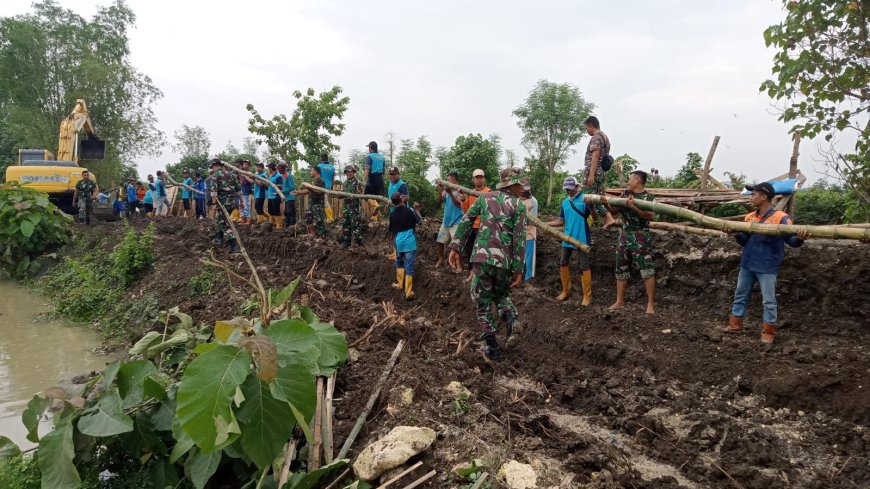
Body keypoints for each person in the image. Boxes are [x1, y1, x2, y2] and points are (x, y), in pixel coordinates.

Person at [449, 167, 527, 362]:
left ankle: (492, 347)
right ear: (513, 184)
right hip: (504, 261)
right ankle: (510, 318)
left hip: (482, 258)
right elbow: (519, 239)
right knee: (501, 294)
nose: (522, 188)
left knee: (482, 303)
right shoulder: (518, 205)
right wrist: (519, 268)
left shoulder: (485, 198)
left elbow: (466, 221)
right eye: (520, 185)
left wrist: (455, 246)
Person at [722, 182, 808, 344]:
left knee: (768, 300)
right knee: (740, 295)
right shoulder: (749, 217)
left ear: (764, 197)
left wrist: (800, 238)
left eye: (754, 194)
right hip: (748, 264)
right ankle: (735, 325)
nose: (751, 197)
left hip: (767, 266)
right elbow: (745, 241)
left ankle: (768, 332)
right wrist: (735, 234)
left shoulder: (781, 218)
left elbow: (792, 241)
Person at [601, 170, 657, 314]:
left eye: (630, 179)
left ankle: (650, 304)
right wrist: (606, 205)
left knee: (647, 270)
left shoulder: (649, 197)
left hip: (641, 236)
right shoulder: (625, 194)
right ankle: (620, 302)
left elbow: (651, 216)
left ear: (638, 180)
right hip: (624, 235)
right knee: (621, 268)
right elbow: (615, 212)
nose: (628, 181)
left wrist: (633, 207)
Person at [546, 176, 593, 304]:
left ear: (577, 187)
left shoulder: (585, 199)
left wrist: (592, 206)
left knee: (583, 266)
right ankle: (566, 290)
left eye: (571, 189)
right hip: (567, 237)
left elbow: (594, 216)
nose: (569, 191)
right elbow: (561, 221)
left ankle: (587, 296)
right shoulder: (565, 202)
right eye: (567, 189)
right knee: (563, 263)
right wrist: (545, 224)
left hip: (582, 238)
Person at [583, 116, 616, 228]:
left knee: (591, 197)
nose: (587, 131)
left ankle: (608, 218)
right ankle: (596, 219)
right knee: (599, 197)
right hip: (601, 172)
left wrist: (591, 175)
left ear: (591, 126)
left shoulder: (596, 138)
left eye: (586, 128)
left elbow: (596, 155)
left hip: (594, 172)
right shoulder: (605, 137)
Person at [389, 193, 422, 300]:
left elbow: (393, 232)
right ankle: (408, 292)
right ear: (401, 200)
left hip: (399, 242)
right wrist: (417, 209)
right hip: (409, 243)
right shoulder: (410, 210)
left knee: (399, 262)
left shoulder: (392, 214)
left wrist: (395, 245)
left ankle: (399, 284)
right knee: (409, 266)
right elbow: (420, 221)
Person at [460, 169, 491, 282]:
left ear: (484, 178)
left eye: (481, 177)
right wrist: (463, 199)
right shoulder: (469, 193)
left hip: (485, 227)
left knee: (483, 251)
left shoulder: (489, 192)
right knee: (470, 251)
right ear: (473, 179)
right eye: (477, 177)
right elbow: (466, 211)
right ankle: (471, 273)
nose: (479, 179)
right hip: (472, 227)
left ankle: (482, 275)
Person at [206, 159, 241, 254]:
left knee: (224, 224)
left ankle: (234, 246)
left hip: (222, 203)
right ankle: (219, 238)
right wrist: (241, 202)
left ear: (215, 166)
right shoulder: (232, 175)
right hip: (232, 202)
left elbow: (213, 192)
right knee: (221, 220)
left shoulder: (215, 176)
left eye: (212, 167)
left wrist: (213, 204)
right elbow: (238, 190)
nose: (212, 169)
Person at [435, 171, 466, 268]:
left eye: (449, 179)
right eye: (447, 179)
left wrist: (451, 193)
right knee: (440, 241)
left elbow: (458, 204)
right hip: (446, 221)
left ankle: (458, 264)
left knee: (456, 244)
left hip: (456, 220)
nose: (447, 181)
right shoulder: (446, 190)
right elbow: (440, 201)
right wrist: (440, 189)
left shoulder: (460, 190)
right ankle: (441, 259)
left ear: (454, 180)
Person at [293, 166, 327, 237]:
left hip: (318, 204)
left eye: (311, 171)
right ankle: (313, 234)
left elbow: (319, 191)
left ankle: (322, 236)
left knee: (319, 221)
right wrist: (298, 191)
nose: (310, 172)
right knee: (308, 218)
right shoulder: (314, 181)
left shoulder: (321, 181)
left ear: (316, 171)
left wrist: (309, 187)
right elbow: (308, 190)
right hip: (312, 203)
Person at [339, 164, 364, 248]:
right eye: (347, 172)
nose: (349, 173)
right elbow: (342, 193)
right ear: (345, 173)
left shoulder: (357, 182)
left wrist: (354, 195)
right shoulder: (345, 183)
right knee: (346, 224)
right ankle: (346, 242)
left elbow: (360, 193)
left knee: (356, 224)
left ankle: (358, 242)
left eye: (351, 172)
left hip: (354, 208)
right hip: (346, 207)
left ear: (354, 172)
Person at [519, 183, 538, 281]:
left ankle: (529, 277)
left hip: (529, 232)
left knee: (529, 257)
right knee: (518, 255)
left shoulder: (533, 201)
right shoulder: (517, 199)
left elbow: (532, 220)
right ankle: (518, 275)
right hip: (518, 232)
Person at [363, 141, 386, 220]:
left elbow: (367, 169)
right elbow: (384, 170)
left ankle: (375, 206)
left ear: (370, 147)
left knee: (366, 196)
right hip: (380, 179)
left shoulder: (369, 156)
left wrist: (364, 180)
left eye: (368, 147)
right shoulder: (382, 157)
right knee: (377, 199)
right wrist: (383, 179)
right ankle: (374, 218)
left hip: (372, 179)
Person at [318, 154, 336, 222]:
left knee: (325, 202)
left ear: (321, 158)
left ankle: (330, 218)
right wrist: (331, 186)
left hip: (321, 186)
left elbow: (318, 176)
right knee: (324, 201)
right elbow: (332, 178)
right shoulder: (332, 167)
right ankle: (326, 218)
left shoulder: (319, 166)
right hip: (328, 186)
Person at [278, 163, 297, 228]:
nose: (278, 170)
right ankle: (288, 227)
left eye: (279, 168)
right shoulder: (283, 176)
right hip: (286, 198)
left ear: (282, 168)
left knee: (290, 212)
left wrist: (282, 191)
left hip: (290, 197)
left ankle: (293, 227)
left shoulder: (288, 176)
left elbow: (291, 187)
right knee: (287, 212)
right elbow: (285, 186)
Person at [266, 163, 283, 228]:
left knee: (276, 210)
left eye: (269, 168)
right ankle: (272, 223)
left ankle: (279, 224)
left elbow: (281, 186)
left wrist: (273, 184)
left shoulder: (278, 176)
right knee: (270, 210)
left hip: (275, 196)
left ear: (271, 168)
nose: (268, 169)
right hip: (270, 196)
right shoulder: (270, 176)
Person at [239, 160, 253, 225]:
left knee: (246, 206)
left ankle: (248, 221)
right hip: (241, 191)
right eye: (244, 164)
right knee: (241, 206)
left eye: (246, 164)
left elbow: (251, 181)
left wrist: (245, 176)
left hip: (246, 192)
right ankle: (243, 221)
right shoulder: (241, 172)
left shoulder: (249, 173)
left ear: (249, 165)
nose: (245, 165)